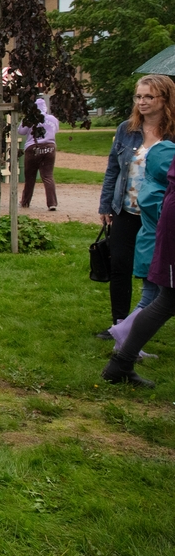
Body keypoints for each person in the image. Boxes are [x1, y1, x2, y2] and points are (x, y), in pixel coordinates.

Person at [96, 75, 175, 340]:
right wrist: (106, 205)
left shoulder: (173, 133)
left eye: (148, 96)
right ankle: (118, 323)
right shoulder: (126, 130)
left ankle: (139, 326)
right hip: (126, 209)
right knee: (120, 265)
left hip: (160, 215)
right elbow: (113, 169)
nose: (142, 102)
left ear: (165, 99)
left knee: (152, 270)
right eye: (138, 96)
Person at [102, 142, 175, 388]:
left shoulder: (156, 187)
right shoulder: (157, 193)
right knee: (162, 300)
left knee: (162, 300)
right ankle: (122, 349)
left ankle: (121, 361)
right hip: (156, 247)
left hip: (155, 246)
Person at [18, 98, 60, 210]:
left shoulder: (30, 118)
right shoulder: (53, 119)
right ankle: (52, 203)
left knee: (30, 177)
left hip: (33, 147)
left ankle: (25, 201)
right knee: (48, 176)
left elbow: (21, 131)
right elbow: (56, 130)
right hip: (50, 147)